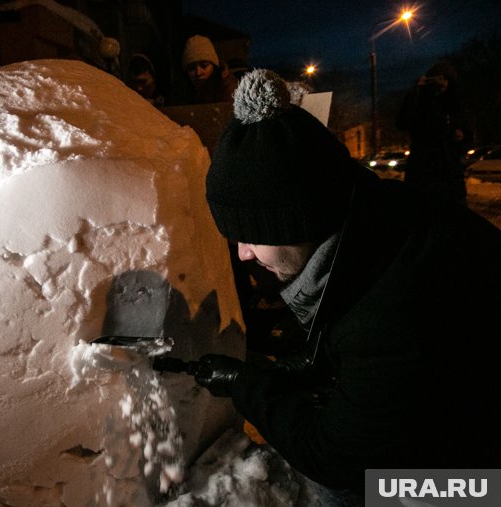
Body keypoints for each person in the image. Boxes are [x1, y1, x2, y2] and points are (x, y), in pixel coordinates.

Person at [193, 69, 501, 499]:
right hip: (471, 415)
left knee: (354, 492)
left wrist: (246, 386)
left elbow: (339, 460)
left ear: (297, 220)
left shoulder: (391, 309)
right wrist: (311, 364)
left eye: (251, 235)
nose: (243, 253)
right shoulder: (384, 218)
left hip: (485, 484)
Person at [396, 60, 471, 205]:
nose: (443, 83)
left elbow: (468, 135)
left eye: (446, 79)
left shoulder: (456, 106)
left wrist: (462, 137)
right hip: (423, 171)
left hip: (450, 174)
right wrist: (415, 92)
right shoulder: (419, 101)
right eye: (439, 78)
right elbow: (402, 123)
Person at [171, 34, 237, 105]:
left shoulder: (230, 90)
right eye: (191, 68)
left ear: (214, 66)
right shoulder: (182, 91)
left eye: (204, 66)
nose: (198, 73)